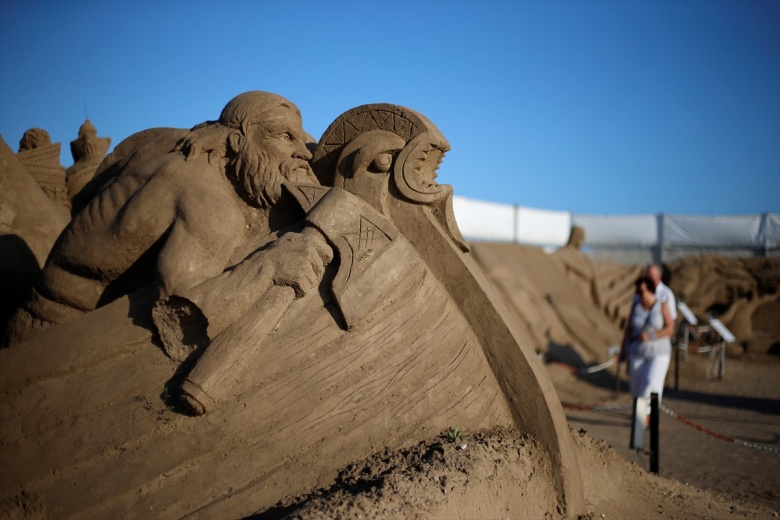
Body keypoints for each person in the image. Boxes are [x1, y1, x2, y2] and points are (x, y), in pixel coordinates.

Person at [4, 91, 333, 353]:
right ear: (236, 142)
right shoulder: (204, 197)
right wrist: (269, 267)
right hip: (53, 339)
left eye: (301, 141)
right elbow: (182, 320)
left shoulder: (188, 157)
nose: (302, 153)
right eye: (285, 137)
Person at [620, 275, 675, 404]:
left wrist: (651, 336)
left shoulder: (662, 305)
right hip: (637, 352)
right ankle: (640, 417)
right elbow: (629, 329)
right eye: (638, 291)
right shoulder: (636, 305)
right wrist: (623, 349)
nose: (641, 294)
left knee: (650, 385)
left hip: (658, 352)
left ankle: (647, 417)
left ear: (651, 290)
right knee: (636, 389)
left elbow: (670, 329)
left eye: (643, 290)